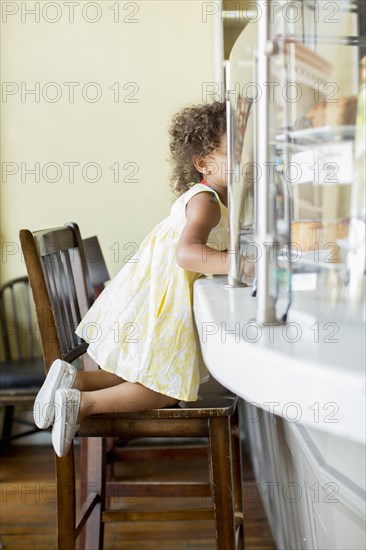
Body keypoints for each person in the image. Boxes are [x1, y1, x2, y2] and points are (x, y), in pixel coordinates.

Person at [34, 101, 243, 457]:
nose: (244, 158)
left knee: (142, 374)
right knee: (165, 390)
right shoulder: (207, 202)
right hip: (164, 304)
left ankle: (76, 380)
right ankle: (83, 404)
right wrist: (243, 265)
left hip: (148, 297)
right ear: (202, 163)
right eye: (233, 151)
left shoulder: (206, 198)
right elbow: (188, 254)